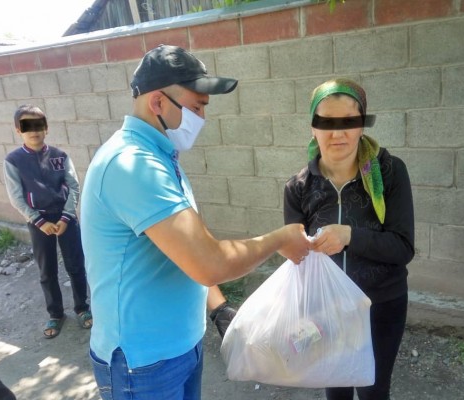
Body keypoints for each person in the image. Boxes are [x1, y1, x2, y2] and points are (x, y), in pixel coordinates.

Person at [79, 44, 310, 400]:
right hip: (143, 364)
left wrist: (218, 308)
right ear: (158, 102)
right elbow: (210, 262)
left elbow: (185, 251)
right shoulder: (132, 164)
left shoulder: (160, 157)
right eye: (197, 107)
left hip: (180, 346)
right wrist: (280, 239)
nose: (202, 118)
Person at [283, 79, 415, 400]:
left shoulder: (389, 172)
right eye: (327, 122)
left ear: (362, 126)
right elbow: (297, 261)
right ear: (313, 128)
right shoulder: (299, 187)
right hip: (326, 309)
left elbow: (402, 247)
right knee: (336, 388)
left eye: (349, 122)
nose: (338, 133)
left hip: (380, 304)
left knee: (373, 390)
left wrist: (350, 236)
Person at [3, 105, 92, 339]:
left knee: (76, 265)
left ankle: (82, 307)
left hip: (66, 219)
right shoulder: (13, 161)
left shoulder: (60, 156)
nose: (34, 131)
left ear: (46, 128)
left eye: (38, 125)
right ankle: (56, 313)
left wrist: (66, 216)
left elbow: (74, 186)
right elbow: (16, 197)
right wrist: (38, 220)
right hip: (38, 222)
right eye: (27, 126)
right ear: (18, 130)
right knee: (47, 270)